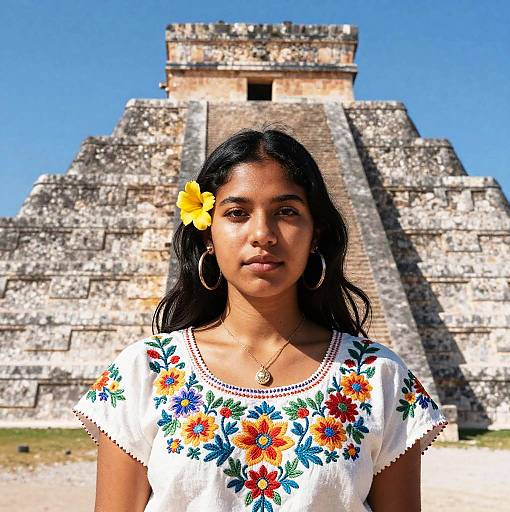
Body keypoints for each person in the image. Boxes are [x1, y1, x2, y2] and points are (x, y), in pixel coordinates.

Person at [72, 127, 448, 511]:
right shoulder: (144, 371)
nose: (263, 234)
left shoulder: (379, 376)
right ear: (207, 235)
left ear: (315, 233)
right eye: (236, 213)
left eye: (287, 212)